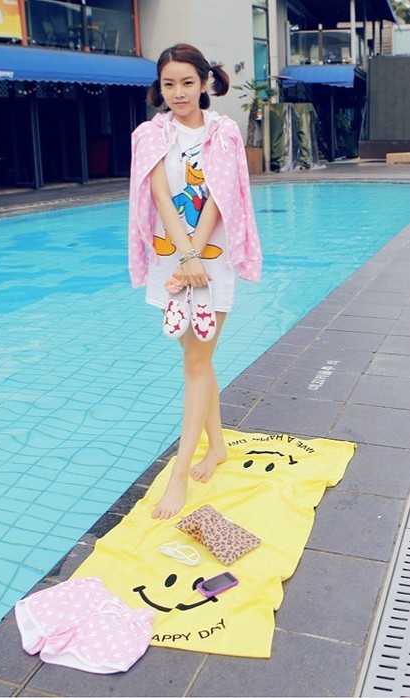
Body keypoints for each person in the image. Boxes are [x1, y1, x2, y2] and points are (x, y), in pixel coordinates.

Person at [128, 43, 262, 519]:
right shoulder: (150, 133)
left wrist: (195, 253)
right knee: (196, 357)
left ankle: (179, 474)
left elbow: (222, 197)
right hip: (172, 257)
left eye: (187, 82)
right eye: (169, 84)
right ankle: (217, 445)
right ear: (159, 88)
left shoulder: (223, 132)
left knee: (196, 360)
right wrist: (183, 255)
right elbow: (159, 194)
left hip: (212, 257)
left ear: (204, 83)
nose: (178, 92)